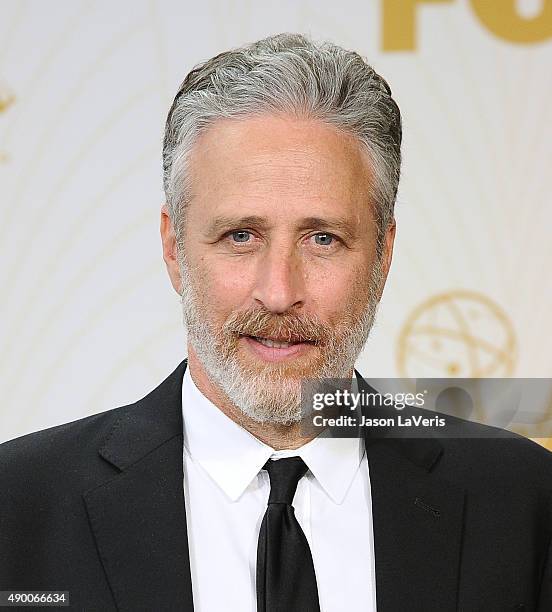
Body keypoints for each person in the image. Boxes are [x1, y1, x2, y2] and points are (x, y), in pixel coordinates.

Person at [1, 33, 550, 612]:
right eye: (241, 236)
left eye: (323, 239)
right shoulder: (16, 509)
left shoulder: (524, 504)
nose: (280, 292)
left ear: (383, 257)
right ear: (173, 248)